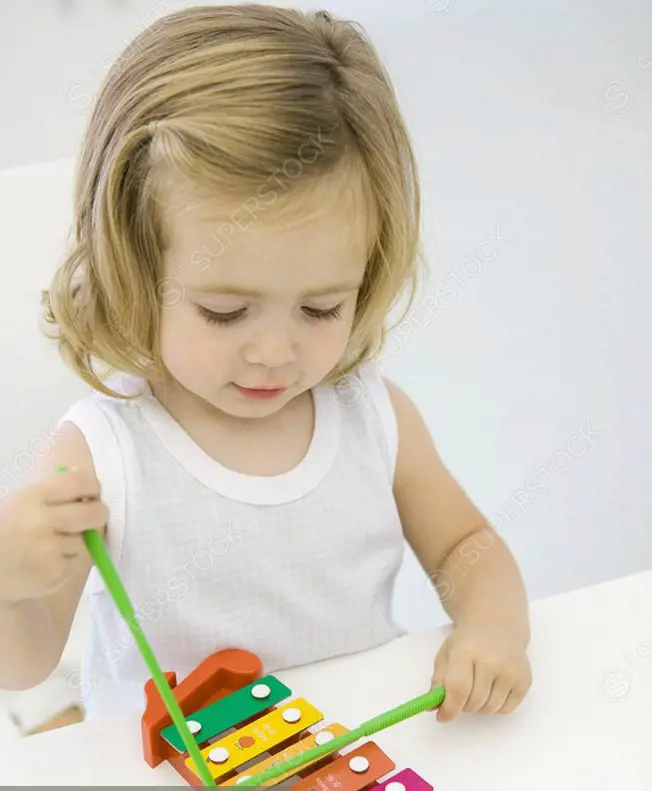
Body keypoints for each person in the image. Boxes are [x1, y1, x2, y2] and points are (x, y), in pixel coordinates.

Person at [0, 5, 531, 723]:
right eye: (224, 312)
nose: (276, 353)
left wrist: (492, 626)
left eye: (320, 309)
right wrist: (10, 586)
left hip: (352, 756)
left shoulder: (373, 416)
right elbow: (27, 663)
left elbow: (466, 546)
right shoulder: (103, 452)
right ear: (132, 268)